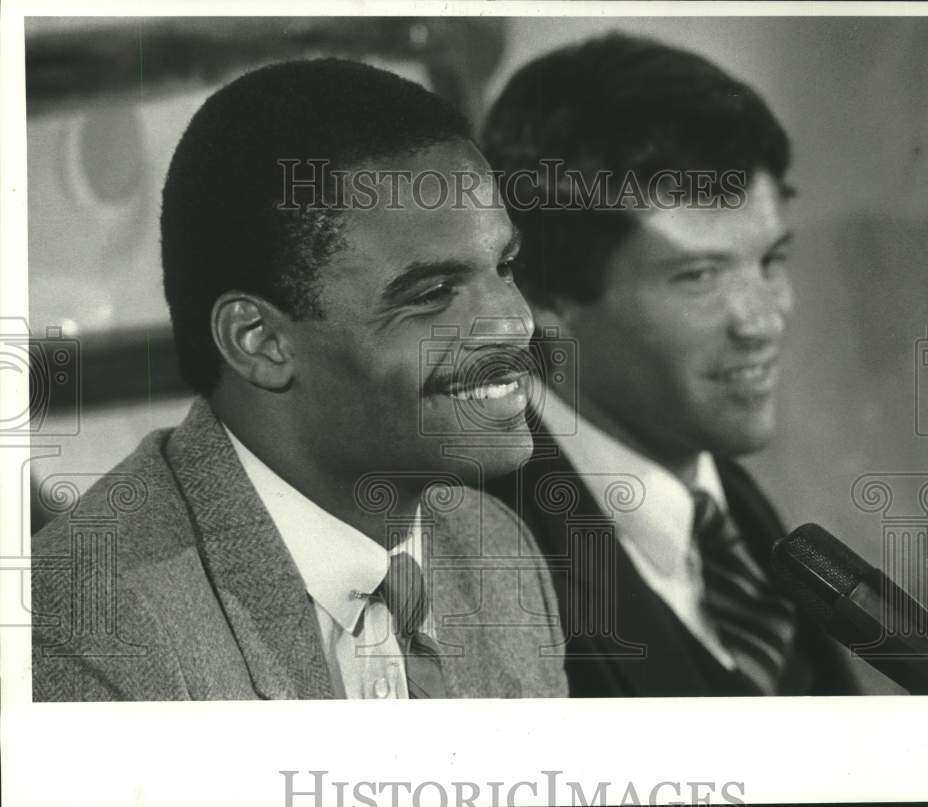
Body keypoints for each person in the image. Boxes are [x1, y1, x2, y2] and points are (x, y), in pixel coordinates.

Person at [32, 58, 566, 701]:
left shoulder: (496, 548)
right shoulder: (82, 628)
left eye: (504, 267)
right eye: (432, 293)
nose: (515, 324)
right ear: (258, 341)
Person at [483, 33, 863, 695]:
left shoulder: (736, 509)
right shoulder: (482, 558)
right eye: (697, 276)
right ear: (544, 293)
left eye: (771, 260)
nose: (765, 319)